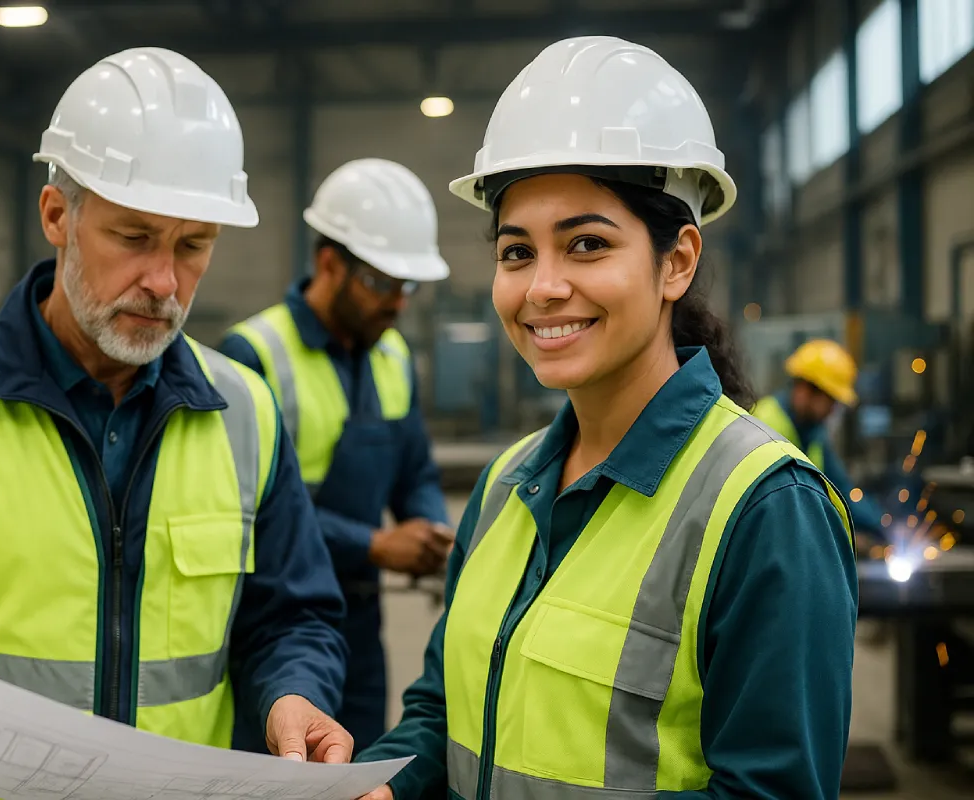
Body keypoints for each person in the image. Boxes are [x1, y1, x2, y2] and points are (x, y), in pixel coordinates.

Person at [0, 48, 352, 800]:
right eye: (134, 237)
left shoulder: (246, 413)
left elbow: (294, 617)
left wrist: (294, 693)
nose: (164, 281)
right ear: (57, 216)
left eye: (194, 245)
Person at [356, 36, 858, 800]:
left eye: (587, 244)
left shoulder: (766, 511)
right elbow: (442, 709)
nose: (542, 287)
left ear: (676, 261)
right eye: (516, 252)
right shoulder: (504, 486)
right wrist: (383, 784)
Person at [218, 158, 453, 755]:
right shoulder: (254, 355)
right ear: (329, 264)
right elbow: (248, 511)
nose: (397, 304)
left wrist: (431, 530)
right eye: (380, 283)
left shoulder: (392, 356)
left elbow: (415, 471)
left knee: (359, 767)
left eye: (407, 287)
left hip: (361, 626)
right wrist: (374, 545)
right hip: (274, 628)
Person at [751, 339, 887, 541]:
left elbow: (842, 492)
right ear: (805, 390)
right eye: (831, 400)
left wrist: (883, 525)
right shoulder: (764, 427)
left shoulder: (812, 433)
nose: (832, 410)